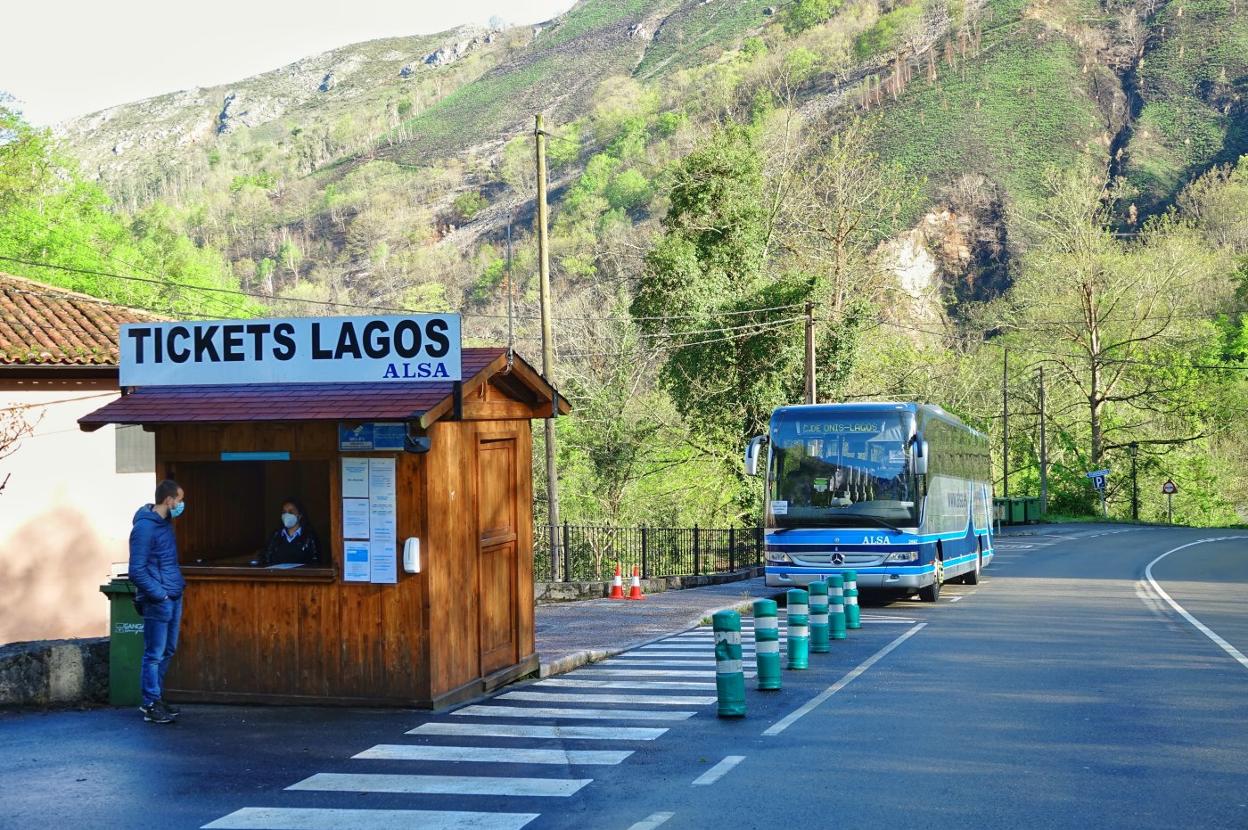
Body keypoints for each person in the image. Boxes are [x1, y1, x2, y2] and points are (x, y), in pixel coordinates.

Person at [128, 479, 186, 725]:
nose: (182, 505)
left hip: (172, 595)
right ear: (169, 500)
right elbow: (136, 570)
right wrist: (160, 595)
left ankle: (157, 698)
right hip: (159, 599)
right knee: (154, 654)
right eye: (180, 500)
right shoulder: (145, 528)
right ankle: (150, 703)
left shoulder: (164, 524)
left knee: (168, 650)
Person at [262, 499, 321, 566]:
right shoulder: (276, 535)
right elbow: (266, 558)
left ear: (300, 515)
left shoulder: (309, 536)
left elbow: (316, 561)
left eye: (291, 512)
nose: (286, 515)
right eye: (284, 512)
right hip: (278, 575)